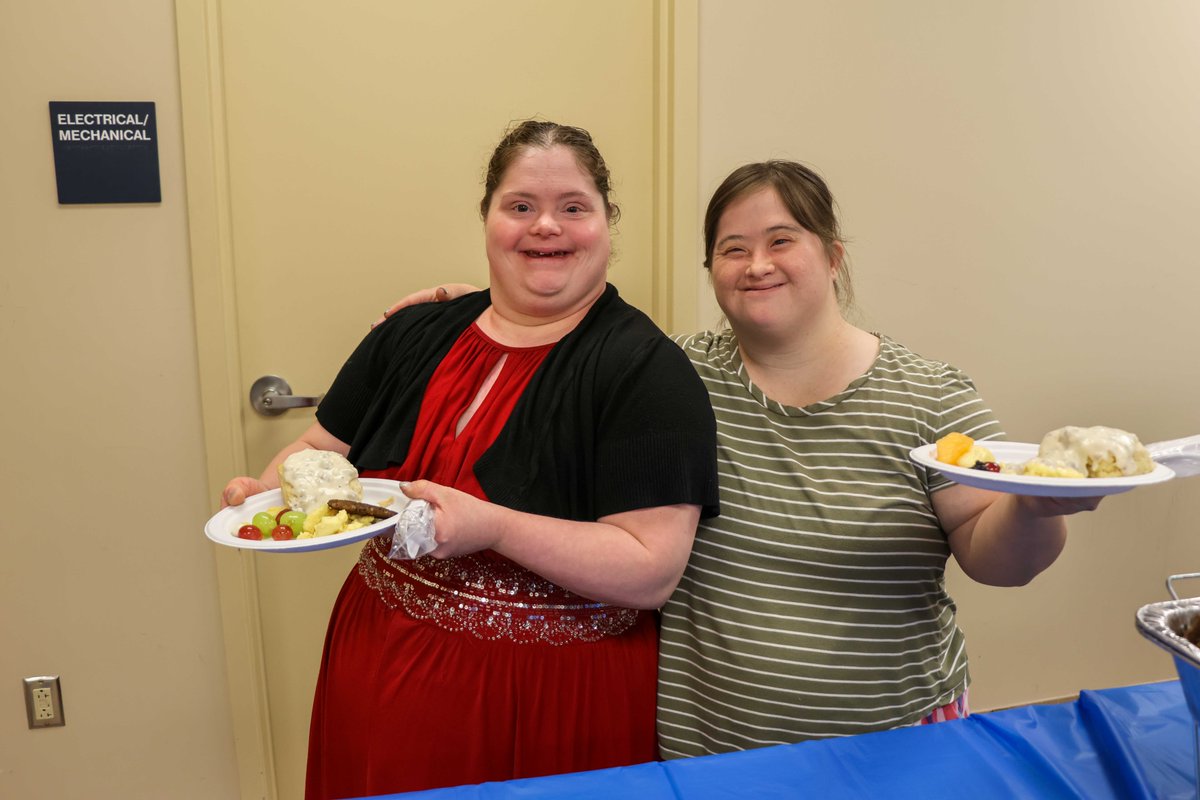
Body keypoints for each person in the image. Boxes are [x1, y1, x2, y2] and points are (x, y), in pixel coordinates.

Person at [378, 159, 1102, 760]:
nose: (757, 265)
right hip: (705, 753)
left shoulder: (928, 396)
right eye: (732, 248)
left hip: (889, 750)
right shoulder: (671, 376)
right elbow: (564, 335)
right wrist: (467, 306)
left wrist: (1037, 508)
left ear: (832, 255)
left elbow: (997, 559)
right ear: (712, 269)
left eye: (782, 240)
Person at [221, 120, 720, 798]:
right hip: (374, 662)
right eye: (521, 206)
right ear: (488, 219)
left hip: (547, 708)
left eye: (573, 207)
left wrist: (497, 527)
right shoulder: (413, 332)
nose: (546, 227)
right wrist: (266, 493)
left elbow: (649, 570)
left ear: (607, 223)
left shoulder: (646, 372)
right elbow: (319, 449)